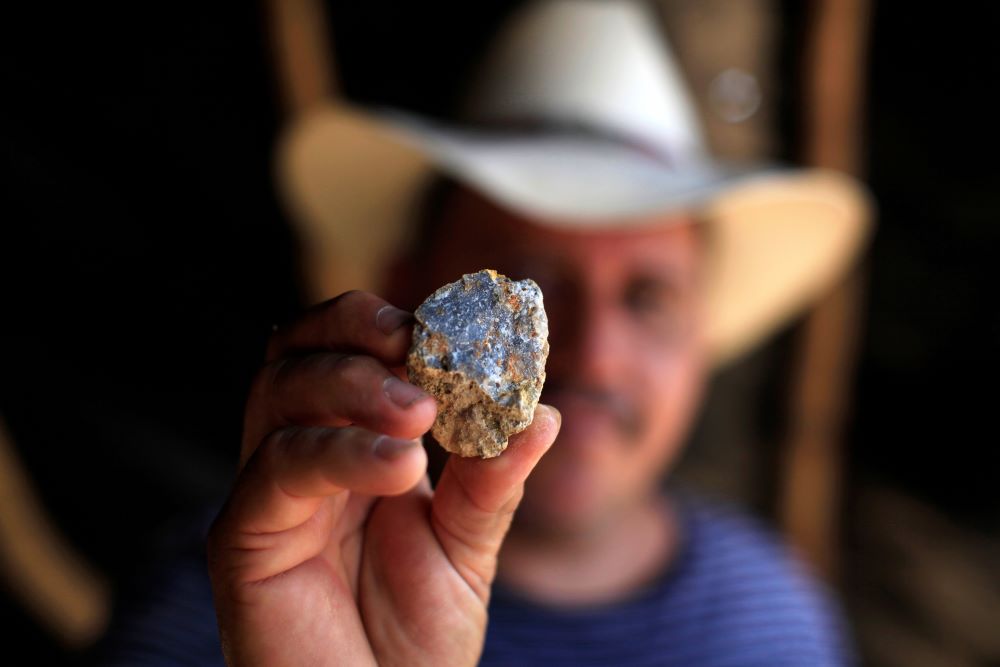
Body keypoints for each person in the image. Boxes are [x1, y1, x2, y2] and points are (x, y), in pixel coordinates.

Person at [105, 1, 872, 664]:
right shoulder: (238, 585)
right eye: (526, 288)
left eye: (647, 298)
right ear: (409, 292)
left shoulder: (771, 620)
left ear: (702, 332)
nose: (592, 353)